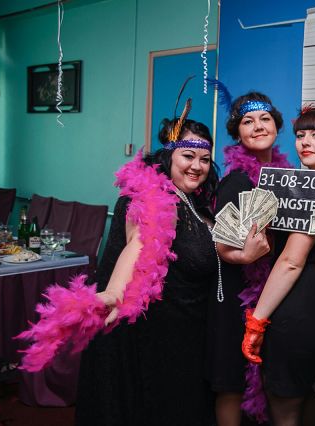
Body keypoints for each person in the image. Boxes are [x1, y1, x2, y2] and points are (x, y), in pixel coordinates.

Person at [75, 110, 220, 426]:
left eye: (205, 159)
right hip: (156, 340)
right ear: (168, 156)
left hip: (188, 334)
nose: (197, 166)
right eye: (188, 156)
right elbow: (140, 243)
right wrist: (115, 291)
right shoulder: (152, 198)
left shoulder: (195, 201)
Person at [242, 107, 315, 426]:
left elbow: (292, 261)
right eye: (300, 135)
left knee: (283, 402)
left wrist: (256, 322)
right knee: (301, 392)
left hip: (303, 307)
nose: (305, 142)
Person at [206, 90, 292, 425]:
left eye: (265, 119)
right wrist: (245, 256)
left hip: (269, 291)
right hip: (236, 294)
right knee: (232, 383)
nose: (258, 126)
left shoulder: (285, 178)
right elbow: (220, 245)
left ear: (277, 127)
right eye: (247, 122)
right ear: (237, 133)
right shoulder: (237, 181)